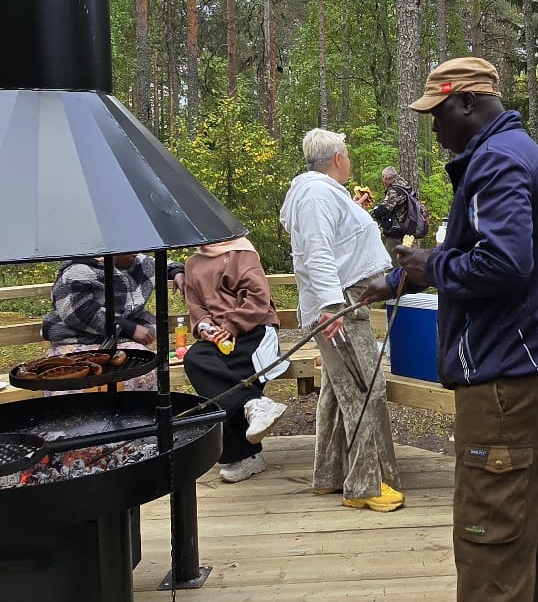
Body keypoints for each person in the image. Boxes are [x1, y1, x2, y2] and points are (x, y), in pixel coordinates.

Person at [384, 56, 538, 602]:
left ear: (464, 103)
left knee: (491, 537)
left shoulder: (496, 162)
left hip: (507, 378)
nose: (433, 126)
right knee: (522, 524)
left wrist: (427, 265)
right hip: (533, 368)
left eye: (435, 113)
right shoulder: (512, 153)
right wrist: (427, 264)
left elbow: (501, 265)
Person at [280, 128, 402, 511]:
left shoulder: (318, 193)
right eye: (347, 155)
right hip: (342, 305)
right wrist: (331, 305)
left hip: (341, 300)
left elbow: (332, 243)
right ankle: (366, 484)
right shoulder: (316, 194)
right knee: (366, 389)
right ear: (338, 158)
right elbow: (316, 252)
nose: (349, 161)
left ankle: (329, 474)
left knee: (339, 389)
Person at [176, 234, 288, 484]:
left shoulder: (242, 253)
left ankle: (244, 453)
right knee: (197, 358)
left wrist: (232, 324)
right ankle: (254, 406)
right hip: (218, 336)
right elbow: (196, 306)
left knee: (231, 373)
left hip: (253, 328)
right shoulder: (193, 262)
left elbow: (258, 297)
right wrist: (204, 326)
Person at [41, 251, 166, 389]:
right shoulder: (77, 271)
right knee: (72, 380)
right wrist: (127, 328)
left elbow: (162, 264)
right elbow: (76, 311)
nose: (136, 254)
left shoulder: (134, 261)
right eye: (129, 250)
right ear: (112, 251)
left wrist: (178, 273)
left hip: (119, 341)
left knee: (144, 370)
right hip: (76, 339)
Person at [371, 166, 428, 255]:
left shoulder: (395, 191)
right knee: (407, 263)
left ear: (386, 178)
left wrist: (372, 212)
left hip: (397, 234)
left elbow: (383, 210)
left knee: (394, 264)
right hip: (408, 231)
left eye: (383, 178)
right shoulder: (406, 187)